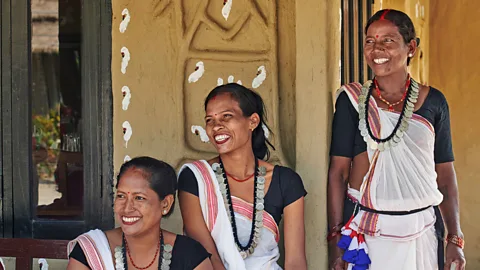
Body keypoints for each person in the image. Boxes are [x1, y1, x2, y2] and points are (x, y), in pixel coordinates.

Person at [327, 9, 466, 270]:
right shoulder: (352, 102)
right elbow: (338, 173)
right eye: (369, 41)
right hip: (367, 235)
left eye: (388, 40)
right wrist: (336, 243)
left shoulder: (434, 102)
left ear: (411, 47)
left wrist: (454, 238)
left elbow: (445, 176)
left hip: (422, 232)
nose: (376, 49)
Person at [178, 83, 307, 270]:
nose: (216, 127)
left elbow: (295, 261)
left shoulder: (286, 181)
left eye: (226, 117)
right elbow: (205, 253)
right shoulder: (196, 177)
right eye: (209, 120)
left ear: (253, 122)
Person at [67, 156, 213, 270]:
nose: (127, 208)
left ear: (166, 204)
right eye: (121, 196)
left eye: (139, 198)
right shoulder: (91, 251)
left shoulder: (190, 255)